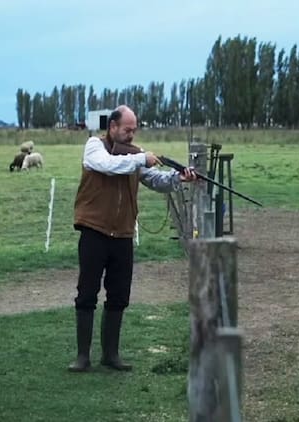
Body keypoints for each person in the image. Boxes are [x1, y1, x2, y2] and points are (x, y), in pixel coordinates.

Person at [69, 105, 196, 372]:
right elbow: (107, 166)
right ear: (112, 127)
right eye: (127, 130)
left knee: (119, 295)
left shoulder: (135, 155)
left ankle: (110, 355)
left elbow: (155, 180)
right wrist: (141, 159)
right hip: (94, 230)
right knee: (87, 293)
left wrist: (179, 178)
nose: (131, 135)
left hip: (123, 234)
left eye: (134, 130)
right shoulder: (94, 146)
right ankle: (83, 357)